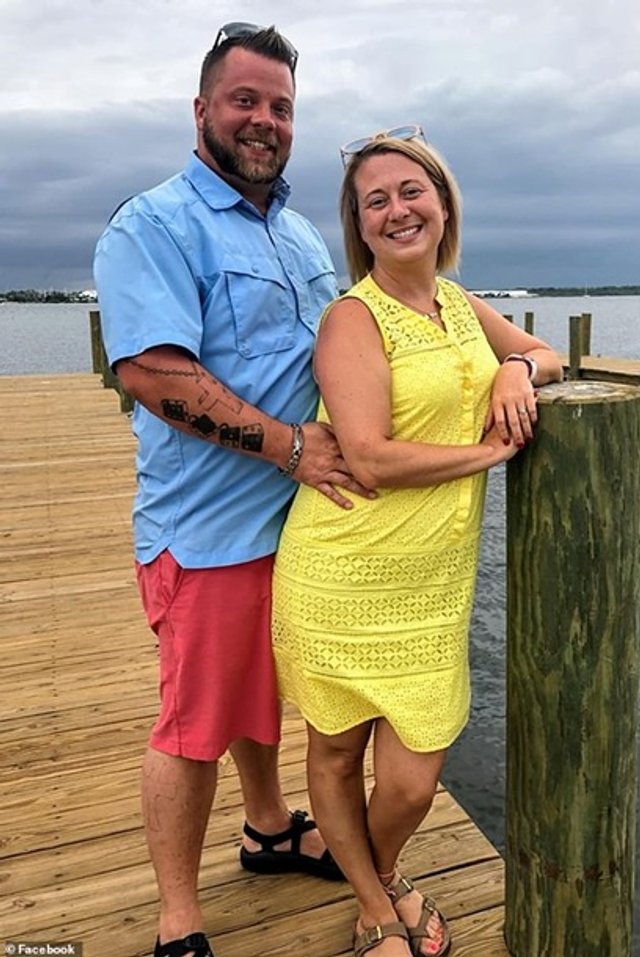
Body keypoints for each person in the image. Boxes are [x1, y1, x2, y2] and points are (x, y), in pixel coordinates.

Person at [93, 23, 373, 957]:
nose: (265, 121)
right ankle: (178, 918)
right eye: (245, 100)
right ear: (202, 109)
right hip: (207, 535)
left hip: (293, 525)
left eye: (281, 107)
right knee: (193, 727)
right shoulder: (154, 224)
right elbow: (155, 375)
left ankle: (268, 827)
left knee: (260, 696)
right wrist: (293, 447)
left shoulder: (297, 233)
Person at [271, 126, 563, 957]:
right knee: (335, 753)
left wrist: (515, 371)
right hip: (342, 572)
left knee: (412, 777)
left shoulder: (459, 305)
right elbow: (367, 456)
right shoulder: (352, 318)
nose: (397, 210)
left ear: (442, 205)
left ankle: (383, 866)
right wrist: (489, 453)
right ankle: (375, 902)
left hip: (432, 588)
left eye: (411, 192)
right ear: (359, 226)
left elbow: (543, 351)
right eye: (376, 201)